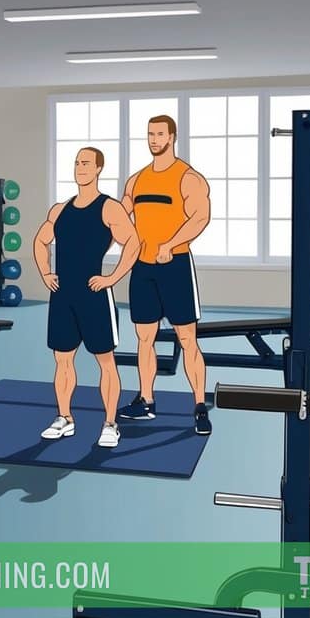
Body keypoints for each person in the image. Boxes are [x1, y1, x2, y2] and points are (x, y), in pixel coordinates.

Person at [33, 146, 140, 447]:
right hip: (63, 295)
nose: (80, 167)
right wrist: (45, 273)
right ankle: (64, 418)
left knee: (105, 361)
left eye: (86, 163)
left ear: (98, 169)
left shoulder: (109, 208)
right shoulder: (60, 209)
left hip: (94, 296)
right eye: (77, 162)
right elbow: (41, 241)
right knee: (62, 360)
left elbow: (132, 242)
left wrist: (112, 278)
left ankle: (110, 423)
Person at [117, 115, 213, 435]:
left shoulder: (188, 177)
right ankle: (146, 400)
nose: (154, 139)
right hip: (143, 268)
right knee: (145, 338)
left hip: (175, 267)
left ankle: (199, 405)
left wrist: (171, 244)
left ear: (172, 136)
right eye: (150, 134)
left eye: (160, 134)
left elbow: (200, 217)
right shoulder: (136, 180)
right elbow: (120, 216)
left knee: (187, 339)